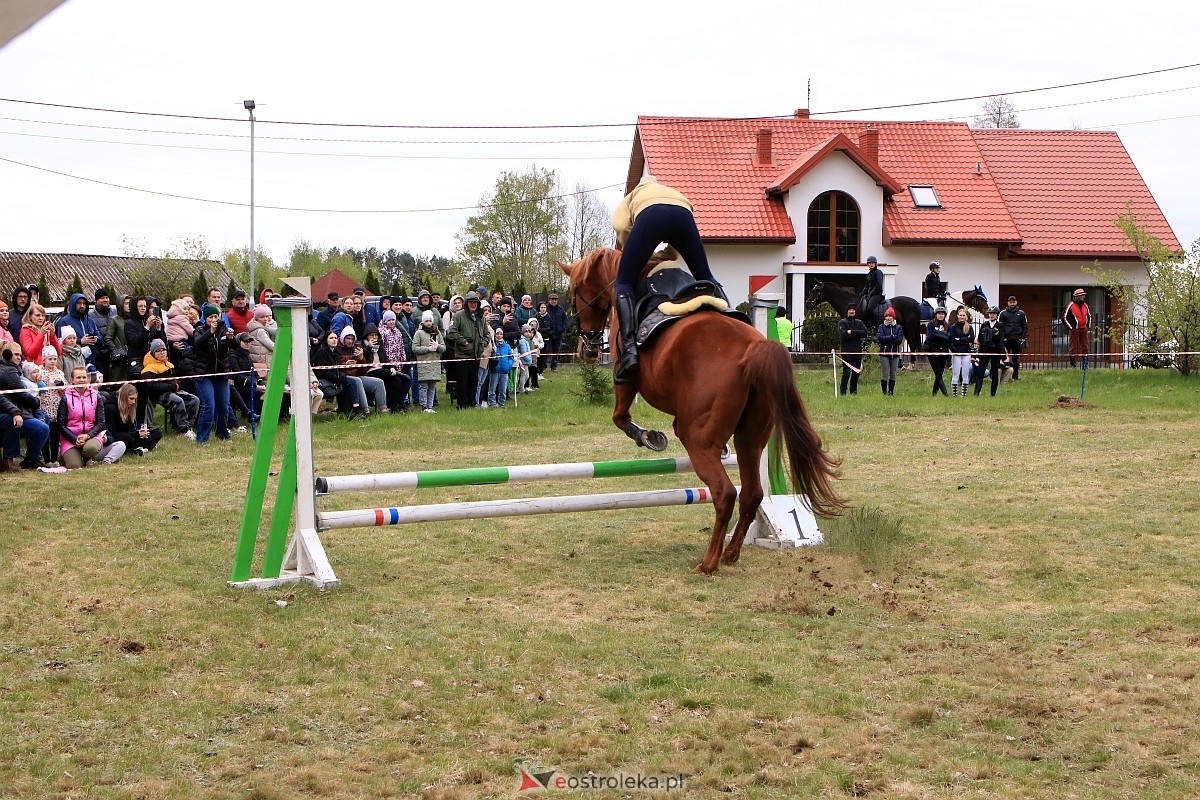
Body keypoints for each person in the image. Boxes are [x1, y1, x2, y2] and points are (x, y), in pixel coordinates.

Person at [610, 176, 724, 382]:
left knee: (623, 282)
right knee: (705, 275)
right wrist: (667, 255)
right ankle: (732, 318)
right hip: (684, 213)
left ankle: (629, 352)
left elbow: (620, 226)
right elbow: (676, 242)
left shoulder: (631, 198)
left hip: (651, 214)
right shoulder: (672, 193)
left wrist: (633, 254)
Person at [57, 365, 125, 468]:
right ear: (72, 380)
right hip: (71, 438)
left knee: (90, 449)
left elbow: (101, 422)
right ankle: (72, 455)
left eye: (84, 377)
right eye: (78, 378)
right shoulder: (65, 398)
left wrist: (88, 436)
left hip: (91, 436)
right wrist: (75, 439)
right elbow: (61, 425)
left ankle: (88, 456)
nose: (82, 380)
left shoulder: (96, 396)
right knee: (74, 465)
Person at [0, 343, 50, 471]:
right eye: (16, 354)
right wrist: (35, 402)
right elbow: (21, 394)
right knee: (12, 421)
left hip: (17, 411)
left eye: (20, 354)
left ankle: (31, 460)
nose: (19, 357)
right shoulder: (8, 370)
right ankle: (9, 460)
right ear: (7, 355)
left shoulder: (16, 369)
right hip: (8, 413)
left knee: (43, 425)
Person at [139, 339, 199, 440]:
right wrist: (171, 386)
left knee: (194, 400)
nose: (162, 352)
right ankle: (183, 430)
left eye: (163, 350)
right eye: (158, 351)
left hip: (173, 390)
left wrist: (177, 385)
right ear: (153, 353)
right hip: (158, 395)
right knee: (178, 401)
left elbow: (176, 380)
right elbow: (150, 387)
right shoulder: (148, 369)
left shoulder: (169, 365)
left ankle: (189, 426)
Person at [190, 303, 232, 443]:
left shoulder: (223, 329)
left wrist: (231, 339)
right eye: (210, 316)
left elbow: (229, 349)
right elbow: (197, 345)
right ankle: (202, 438)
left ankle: (222, 434)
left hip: (220, 374)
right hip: (203, 374)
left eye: (216, 316)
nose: (214, 319)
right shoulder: (199, 330)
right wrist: (211, 332)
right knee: (209, 405)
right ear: (205, 318)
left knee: (224, 406)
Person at [445, 291, 490, 410]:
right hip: (462, 355)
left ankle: (471, 403)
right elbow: (451, 333)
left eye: (475, 302)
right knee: (462, 382)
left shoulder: (481, 318)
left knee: (473, 382)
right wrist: (463, 341)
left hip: (476, 355)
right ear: (467, 303)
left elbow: (487, 334)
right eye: (471, 302)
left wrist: (482, 344)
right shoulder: (459, 316)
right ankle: (462, 405)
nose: (473, 304)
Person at [103, 382, 162, 457]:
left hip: (131, 436)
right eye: (131, 399)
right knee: (127, 438)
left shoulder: (131, 408)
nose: (133, 402)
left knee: (157, 432)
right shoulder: (110, 408)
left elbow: (132, 430)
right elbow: (112, 433)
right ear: (124, 397)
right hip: (118, 439)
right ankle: (142, 447)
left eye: (135, 399)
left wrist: (139, 433)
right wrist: (136, 434)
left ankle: (140, 448)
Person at [411, 311, 446, 413]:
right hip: (424, 364)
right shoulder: (419, 333)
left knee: (432, 386)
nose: (428, 323)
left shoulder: (437, 332)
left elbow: (443, 347)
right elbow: (415, 348)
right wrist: (427, 349)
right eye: (426, 321)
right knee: (424, 386)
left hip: (435, 364)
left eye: (430, 321)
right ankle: (423, 406)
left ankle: (430, 406)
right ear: (423, 322)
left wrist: (437, 346)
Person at [55, 292, 101, 369]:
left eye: (84, 303)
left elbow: (101, 339)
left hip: (91, 360)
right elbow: (61, 343)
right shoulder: (64, 321)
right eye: (79, 303)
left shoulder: (90, 320)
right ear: (73, 304)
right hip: (72, 362)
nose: (82, 306)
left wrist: (96, 339)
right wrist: (80, 341)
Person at [975, 306, 1006, 396]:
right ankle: (976, 393)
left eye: (994, 313)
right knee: (980, 372)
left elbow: (999, 338)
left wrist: (990, 334)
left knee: (994, 373)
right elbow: (980, 338)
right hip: (985, 351)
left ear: (997, 315)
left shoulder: (1000, 325)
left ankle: (993, 393)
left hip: (995, 351)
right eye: (990, 313)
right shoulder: (984, 324)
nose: (992, 315)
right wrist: (990, 334)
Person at [837, 307, 868, 396]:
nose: (852, 311)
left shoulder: (859, 322)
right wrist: (857, 334)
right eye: (850, 310)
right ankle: (843, 392)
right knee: (846, 372)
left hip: (857, 351)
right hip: (846, 351)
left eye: (853, 310)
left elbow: (865, 333)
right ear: (847, 311)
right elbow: (844, 335)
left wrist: (852, 332)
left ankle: (853, 392)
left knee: (856, 372)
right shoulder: (842, 322)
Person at [998, 295, 1028, 380]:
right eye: (1010, 302)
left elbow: (1025, 326)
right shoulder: (1003, 313)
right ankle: (1004, 376)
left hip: (1017, 340)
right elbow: (1000, 326)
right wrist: (1003, 337)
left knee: (1016, 359)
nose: (1012, 303)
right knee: (1004, 357)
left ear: (1016, 302)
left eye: (1013, 302)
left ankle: (1015, 377)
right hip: (1006, 339)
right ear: (1008, 303)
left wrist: (1022, 337)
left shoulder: (1021, 313)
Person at [925, 307, 952, 396]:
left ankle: (934, 395)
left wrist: (938, 334)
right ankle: (946, 395)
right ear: (936, 315)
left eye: (942, 314)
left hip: (943, 352)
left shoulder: (947, 325)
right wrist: (942, 335)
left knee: (939, 374)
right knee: (939, 374)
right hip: (933, 352)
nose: (941, 315)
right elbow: (930, 336)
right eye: (939, 314)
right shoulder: (931, 324)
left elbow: (949, 338)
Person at [876, 307, 903, 395]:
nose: (888, 318)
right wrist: (892, 337)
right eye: (886, 316)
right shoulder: (881, 327)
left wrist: (888, 339)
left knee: (893, 373)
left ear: (893, 317)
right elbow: (880, 339)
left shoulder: (898, 327)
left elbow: (899, 340)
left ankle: (891, 392)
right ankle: (884, 392)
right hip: (884, 353)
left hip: (895, 353)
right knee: (885, 372)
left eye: (890, 316)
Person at [949, 307, 974, 398]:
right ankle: (954, 394)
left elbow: (971, 338)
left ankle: (964, 394)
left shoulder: (969, 327)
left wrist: (960, 339)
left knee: (965, 374)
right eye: (960, 315)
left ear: (966, 317)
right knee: (955, 374)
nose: (962, 317)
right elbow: (952, 339)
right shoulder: (953, 327)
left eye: (963, 315)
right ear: (957, 316)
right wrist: (965, 340)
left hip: (966, 353)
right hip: (956, 353)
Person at [486, 328, 514, 408]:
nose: (499, 335)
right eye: (497, 334)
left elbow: (511, 357)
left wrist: (509, 365)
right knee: (492, 389)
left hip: (504, 371)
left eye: (501, 334)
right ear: (495, 335)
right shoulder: (493, 345)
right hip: (494, 370)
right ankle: (492, 403)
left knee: (503, 390)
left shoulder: (507, 346)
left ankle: (501, 404)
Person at [1063, 288, 1090, 368]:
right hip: (1074, 329)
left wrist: (1088, 326)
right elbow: (1064, 318)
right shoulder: (1070, 305)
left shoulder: (1085, 305)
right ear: (1077, 296)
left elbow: (1089, 316)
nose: (1084, 297)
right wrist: (1071, 327)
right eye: (1082, 295)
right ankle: (1073, 365)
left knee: (1085, 347)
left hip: (1083, 329)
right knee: (1072, 347)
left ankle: (1085, 364)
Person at [544, 292, 568, 372]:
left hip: (558, 334)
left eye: (555, 300)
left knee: (556, 351)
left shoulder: (561, 310)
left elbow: (565, 320)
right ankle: (544, 366)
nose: (554, 301)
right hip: (548, 334)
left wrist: (563, 328)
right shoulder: (545, 309)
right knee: (546, 350)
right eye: (552, 299)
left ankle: (554, 367)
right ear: (549, 300)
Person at [514, 323, 534, 395]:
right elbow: (524, 352)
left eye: (529, 331)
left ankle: (520, 388)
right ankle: (521, 389)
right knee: (524, 376)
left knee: (526, 376)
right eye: (526, 331)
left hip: (526, 361)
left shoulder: (526, 340)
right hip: (523, 361)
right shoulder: (522, 340)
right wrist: (529, 360)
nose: (528, 333)